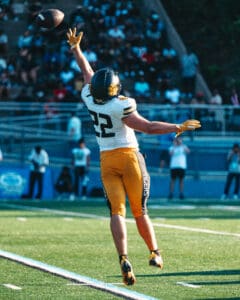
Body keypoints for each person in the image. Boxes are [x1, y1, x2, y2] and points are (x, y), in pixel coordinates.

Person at [66, 27, 201, 285]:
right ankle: (154, 252)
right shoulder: (121, 105)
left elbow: (87, 73)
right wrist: (177, 127)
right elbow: (148, 127)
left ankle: (123, 258)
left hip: (106, 160)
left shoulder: (89, 97)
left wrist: (76, 49)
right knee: (139, 211)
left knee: (117, 212)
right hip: (129, 157)